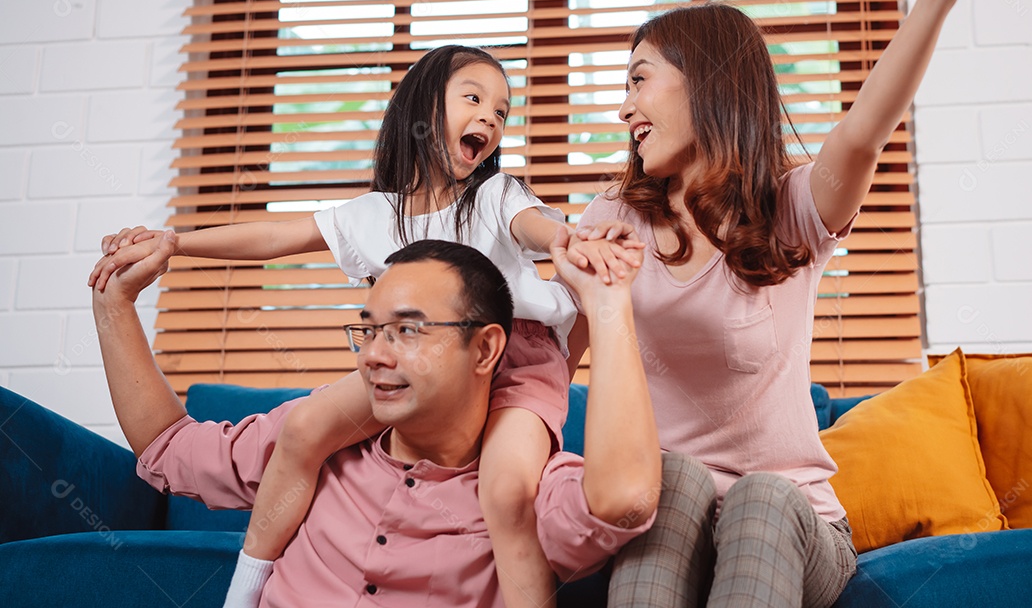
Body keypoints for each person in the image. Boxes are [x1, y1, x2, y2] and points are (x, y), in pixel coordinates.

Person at [561, 0, 1012, 607]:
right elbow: (549, 367)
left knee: (763, 496)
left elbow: (862, 135)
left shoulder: (791, 208)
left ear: (706, 84)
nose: (624, 107)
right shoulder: (613, 221)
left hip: (795, 527)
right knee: (671, 479)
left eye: (639, 79)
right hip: (670, 514)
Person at [87, 45, 641, 608]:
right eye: (473, 99)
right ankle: (243, 592)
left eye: (501, 111)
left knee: (507, 490)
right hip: (420, 364)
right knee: (305, 429)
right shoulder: (376, 214)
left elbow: (536, 228)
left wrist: (569, 241)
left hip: (521, 362)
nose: (490, 118)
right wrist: (176, 243)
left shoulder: (497, 195)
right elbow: (276, 237)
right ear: (422, 109)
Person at [90, 232, 661, 607]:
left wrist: (607, 304)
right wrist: (113, 303)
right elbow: (168, 449)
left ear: (486, 350)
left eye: (408, 330)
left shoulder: (523, 482)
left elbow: (625, 499)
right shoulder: (316, 441)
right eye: (369, 331)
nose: (373, 356)